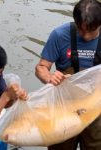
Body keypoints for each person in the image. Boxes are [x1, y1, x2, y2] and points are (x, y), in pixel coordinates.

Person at [35, 0, 101, 150]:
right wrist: (49, 77)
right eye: (81, 30)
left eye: (91, 30)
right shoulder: (59, 35)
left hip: (96, 109)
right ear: (75, 22)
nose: (85, 35)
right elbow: (41, 67)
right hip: (64, 107)